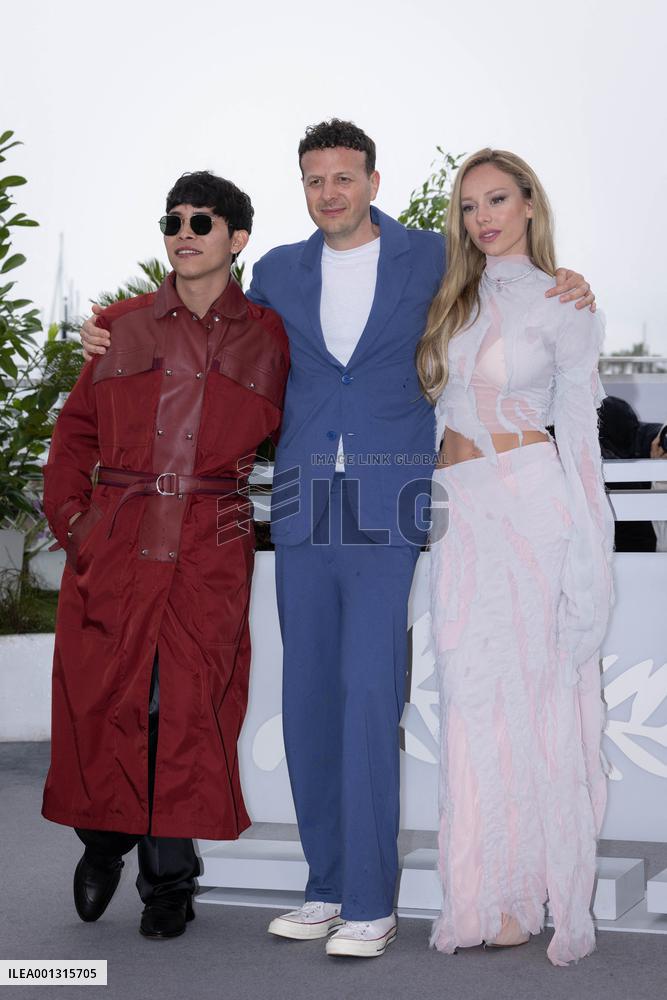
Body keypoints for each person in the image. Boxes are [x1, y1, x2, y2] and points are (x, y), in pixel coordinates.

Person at [80, 121, 595, 959]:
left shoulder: (432, 256)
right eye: (314, 178)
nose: (329, 192)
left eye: (343, 177)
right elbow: (205, 319)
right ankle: (323, 887)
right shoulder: (279, 269)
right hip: (303, 498)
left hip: (389, 496)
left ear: (372, 180)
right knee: (311, 698)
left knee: (366, 694)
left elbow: (505, 281)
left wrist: (565, 277)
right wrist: (107, 332)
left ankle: (370, 899)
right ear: (304, 186)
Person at [43, 171, 288, 939]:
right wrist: (79, 526)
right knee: (109, 698)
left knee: (183, 708)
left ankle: (169, 883)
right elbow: (71, 438)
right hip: (117, 539)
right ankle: (104, 839)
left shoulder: (271, 337)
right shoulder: (119, 325)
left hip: (208, 545)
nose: (183, 232)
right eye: (172, 220)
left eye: (202, 221)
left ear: (235, 239)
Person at [416, 148, 614, 966]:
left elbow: (581, 442)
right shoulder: (447, 300)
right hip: (462, 511)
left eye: (497, 199)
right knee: (470, 703)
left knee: (537, 704)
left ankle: (534, 896)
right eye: (468, 206)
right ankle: (487, 896)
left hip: (533, 504)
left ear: (529, 203)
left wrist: (587, 557)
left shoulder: (565, 306)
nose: (483, 217)